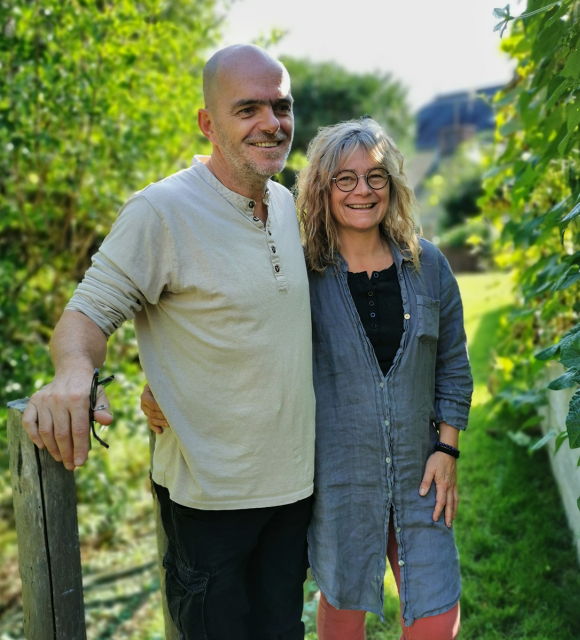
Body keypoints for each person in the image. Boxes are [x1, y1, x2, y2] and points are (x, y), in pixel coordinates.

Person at [21, 44, 316, 640]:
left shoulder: (287, 203)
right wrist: (74, 375)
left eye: (281, 106)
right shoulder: (162, 211)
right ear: (208, 123)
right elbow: (86, 316)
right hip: (208, 501)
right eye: (248, 109)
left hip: (293, 490)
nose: (271, 123)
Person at [143, 117, 473, 640]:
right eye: (345, 178)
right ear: (322, 188)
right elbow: (244, 339)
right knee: (341, 617)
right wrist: (166, 382)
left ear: (393, 184)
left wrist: (447, 449)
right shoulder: (301, 274)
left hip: (422, 475)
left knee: (436, 620)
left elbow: (453, 362)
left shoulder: (427, 265)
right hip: (339, 480)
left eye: (376, 176)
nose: (362, 190)